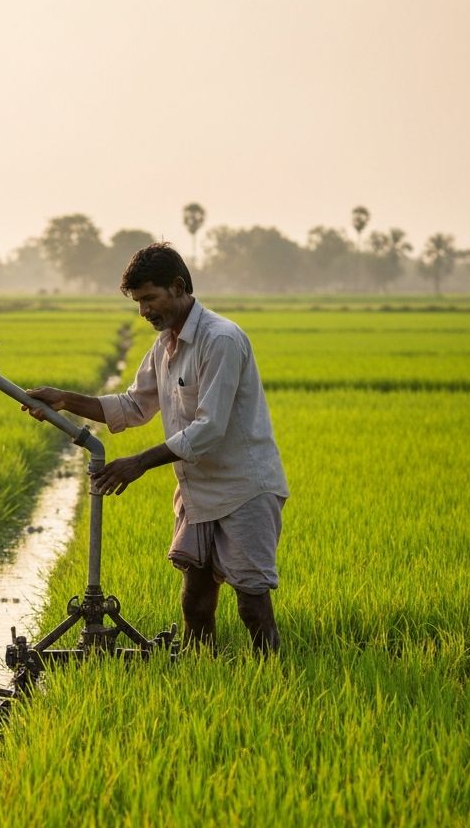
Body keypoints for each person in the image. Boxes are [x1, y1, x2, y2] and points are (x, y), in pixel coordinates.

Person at [25, 243, 288, 655]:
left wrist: (140, 463)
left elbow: (209, 428)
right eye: (138, 302)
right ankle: (203, 683)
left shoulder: (220, 340)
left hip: (244, 489)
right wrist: (65, 399)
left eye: (149, 298)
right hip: (198, 492)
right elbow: (133, 406)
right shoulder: (164, 347)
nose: (143, 311)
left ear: (178, 286)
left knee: (252, 603)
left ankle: (276, 682)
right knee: (195, 604)